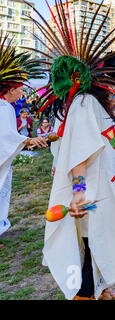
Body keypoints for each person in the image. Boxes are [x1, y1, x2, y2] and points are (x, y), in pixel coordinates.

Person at [29, 3, 115, 300]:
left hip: (106, 186)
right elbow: (79, 150)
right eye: (114, 80)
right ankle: (87, 295)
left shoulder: (93, 104)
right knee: (90, 242)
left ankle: (101, 289)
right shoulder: (84, 103)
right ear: (101, 78)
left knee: (98, 239)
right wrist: (79, 190)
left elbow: (102, 140)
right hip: (91, 190)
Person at [0, 45, 48, 237]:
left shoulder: (5, 106)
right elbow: (6, 137)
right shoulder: (4, 107)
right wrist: (29, 140)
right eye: (19, 90)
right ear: (10, 90)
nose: (22, 94)